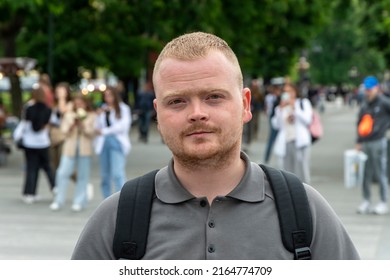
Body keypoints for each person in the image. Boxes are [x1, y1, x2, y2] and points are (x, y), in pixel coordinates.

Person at [72, 32, 359, 260]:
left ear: (245, 105)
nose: (197, 112)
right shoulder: (117, 218)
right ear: (158, 115)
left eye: (213, 97)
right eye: (177, 101)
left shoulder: (304, 211)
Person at [50, 95, 96, 212]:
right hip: (69, 148)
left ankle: (79, 201)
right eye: (77, 103)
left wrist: (83, 125)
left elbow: (92, 133)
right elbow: (63, 131)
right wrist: (72, 125)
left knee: (83, 175)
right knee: (62, 173)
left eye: (81, 103)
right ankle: (59, 200)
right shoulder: (69, 115)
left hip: (84, 149)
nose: (79, 105)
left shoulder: (91, 116)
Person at [356, 76, 390, 215]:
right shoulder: (365, 103)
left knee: (379, 171)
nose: (368, 91)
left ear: (377, 88)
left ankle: (383, 201)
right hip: (366, 141)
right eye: (366, 89)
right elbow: (359, 122)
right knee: (366, 172)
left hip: (378, 140)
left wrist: (385, 127)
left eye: (370, 89)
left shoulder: (383, 102)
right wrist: (358, 140)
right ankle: (366, 200)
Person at [271, 83, 313, 183]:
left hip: (300, 142)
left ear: (295, 92)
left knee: (301, 170)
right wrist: (280, 109)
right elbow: (276, 125)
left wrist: (295, 108)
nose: (288, 94)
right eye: (285, 92)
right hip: (286, 142)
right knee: (287, 173)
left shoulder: (302, 103)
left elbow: (308, 120)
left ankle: (304, 193)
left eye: (290, 91)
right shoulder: (280, 107)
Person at [94, 86, 131, 199]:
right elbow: (96, 127)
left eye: (109, 95)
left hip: (116, 142)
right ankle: (106, 200)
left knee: (117, 173)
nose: (107, 98)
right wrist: (99, 115)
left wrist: (104, 131)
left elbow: (122, 126)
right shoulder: (103, 109)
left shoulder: (123, 108)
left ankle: (121, 199)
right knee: (105, 175)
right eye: (105, 95)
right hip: (104, 143)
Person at [20, 86, 55, 204]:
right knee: (47, 167)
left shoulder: (29, 108)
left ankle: (30, 193)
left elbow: (25, 125)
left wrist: (18, 136)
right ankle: (55, 187)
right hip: (43, 142)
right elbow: (51, 123)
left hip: (30, 143)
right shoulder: (48, 109)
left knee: (31, 168)